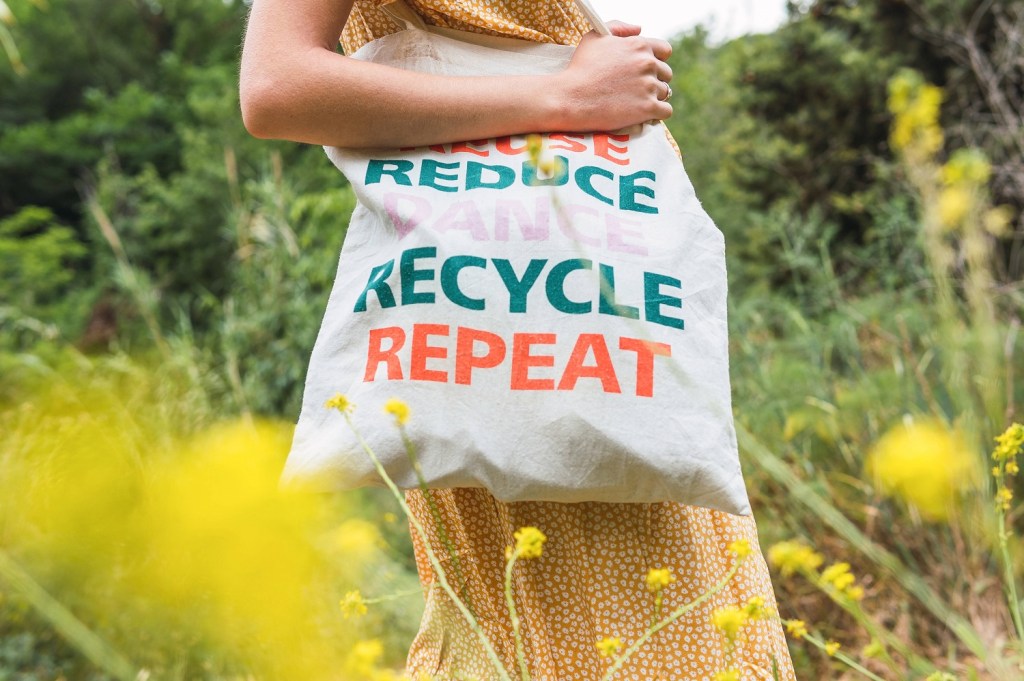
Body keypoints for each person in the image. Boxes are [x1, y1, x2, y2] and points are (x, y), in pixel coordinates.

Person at [240, 1, 797, 678]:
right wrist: (562, 95)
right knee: (598, 632)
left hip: (569, 316)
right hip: (514, 314)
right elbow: (276, 84)